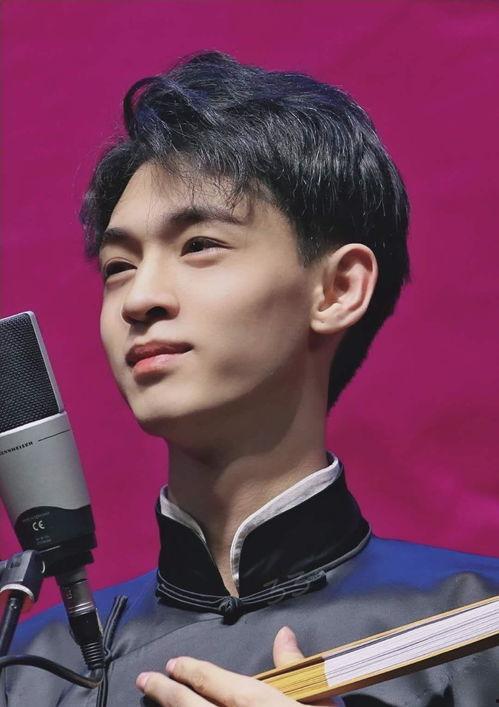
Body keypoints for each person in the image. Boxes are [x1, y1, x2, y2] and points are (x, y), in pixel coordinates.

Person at [2, 50, 498, 706]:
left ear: (337, 289)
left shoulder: (474, 626)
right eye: (119, 266)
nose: (138, 299)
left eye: (199, 245)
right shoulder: (26, 672)